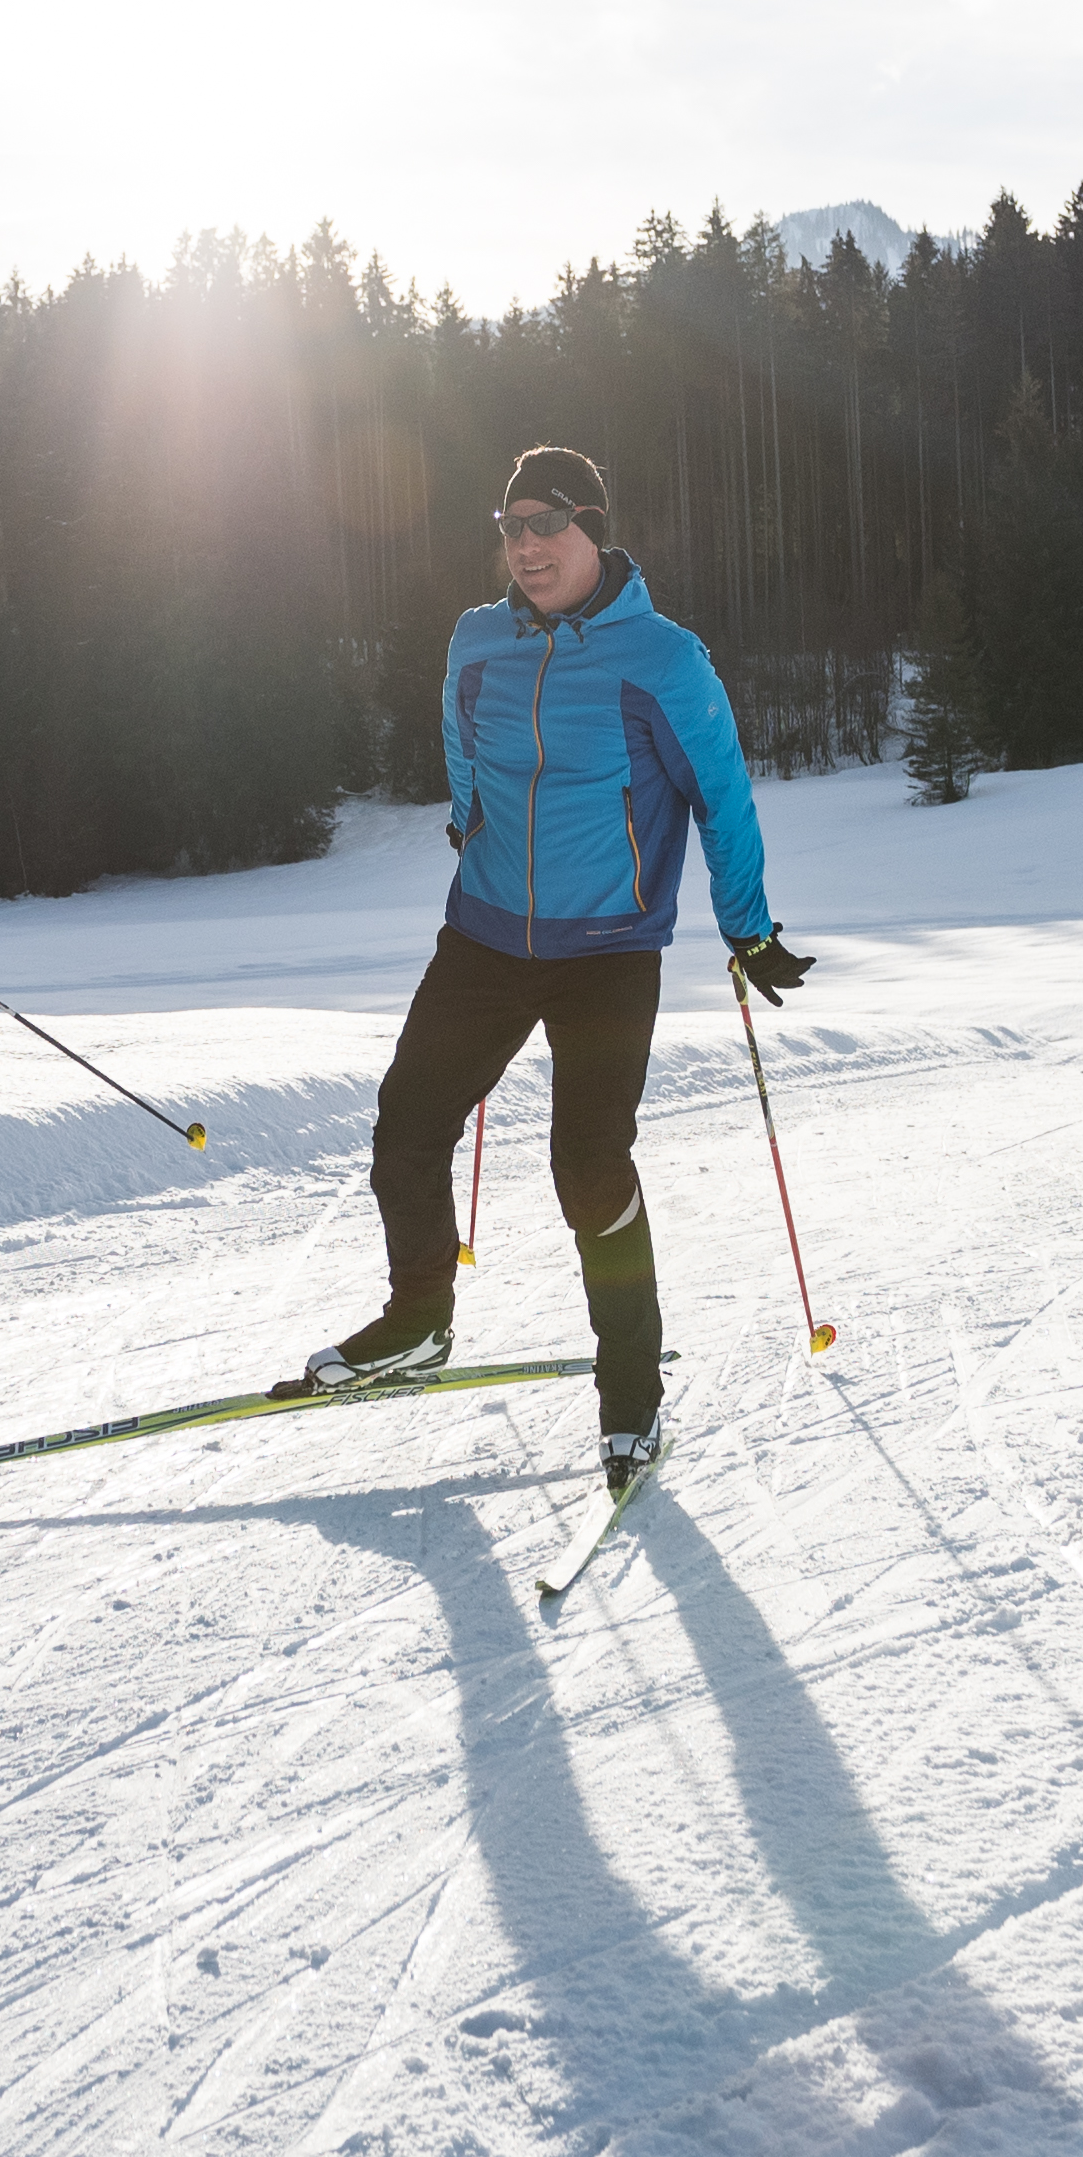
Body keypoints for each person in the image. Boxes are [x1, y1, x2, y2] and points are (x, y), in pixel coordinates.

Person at [298, 447, 807, 1492]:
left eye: (547, 523)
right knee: (405, 1127)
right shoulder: (476, 637)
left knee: (589, 1167)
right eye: (510, 524)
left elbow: (724, 796)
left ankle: (631, 1396)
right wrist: (467, 816)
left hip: (606, 952)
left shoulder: (663, 658)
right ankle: (417, 1322)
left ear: (594, 526)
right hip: (484, 934)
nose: (525, 545)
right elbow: (463, 739)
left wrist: (747, 927)